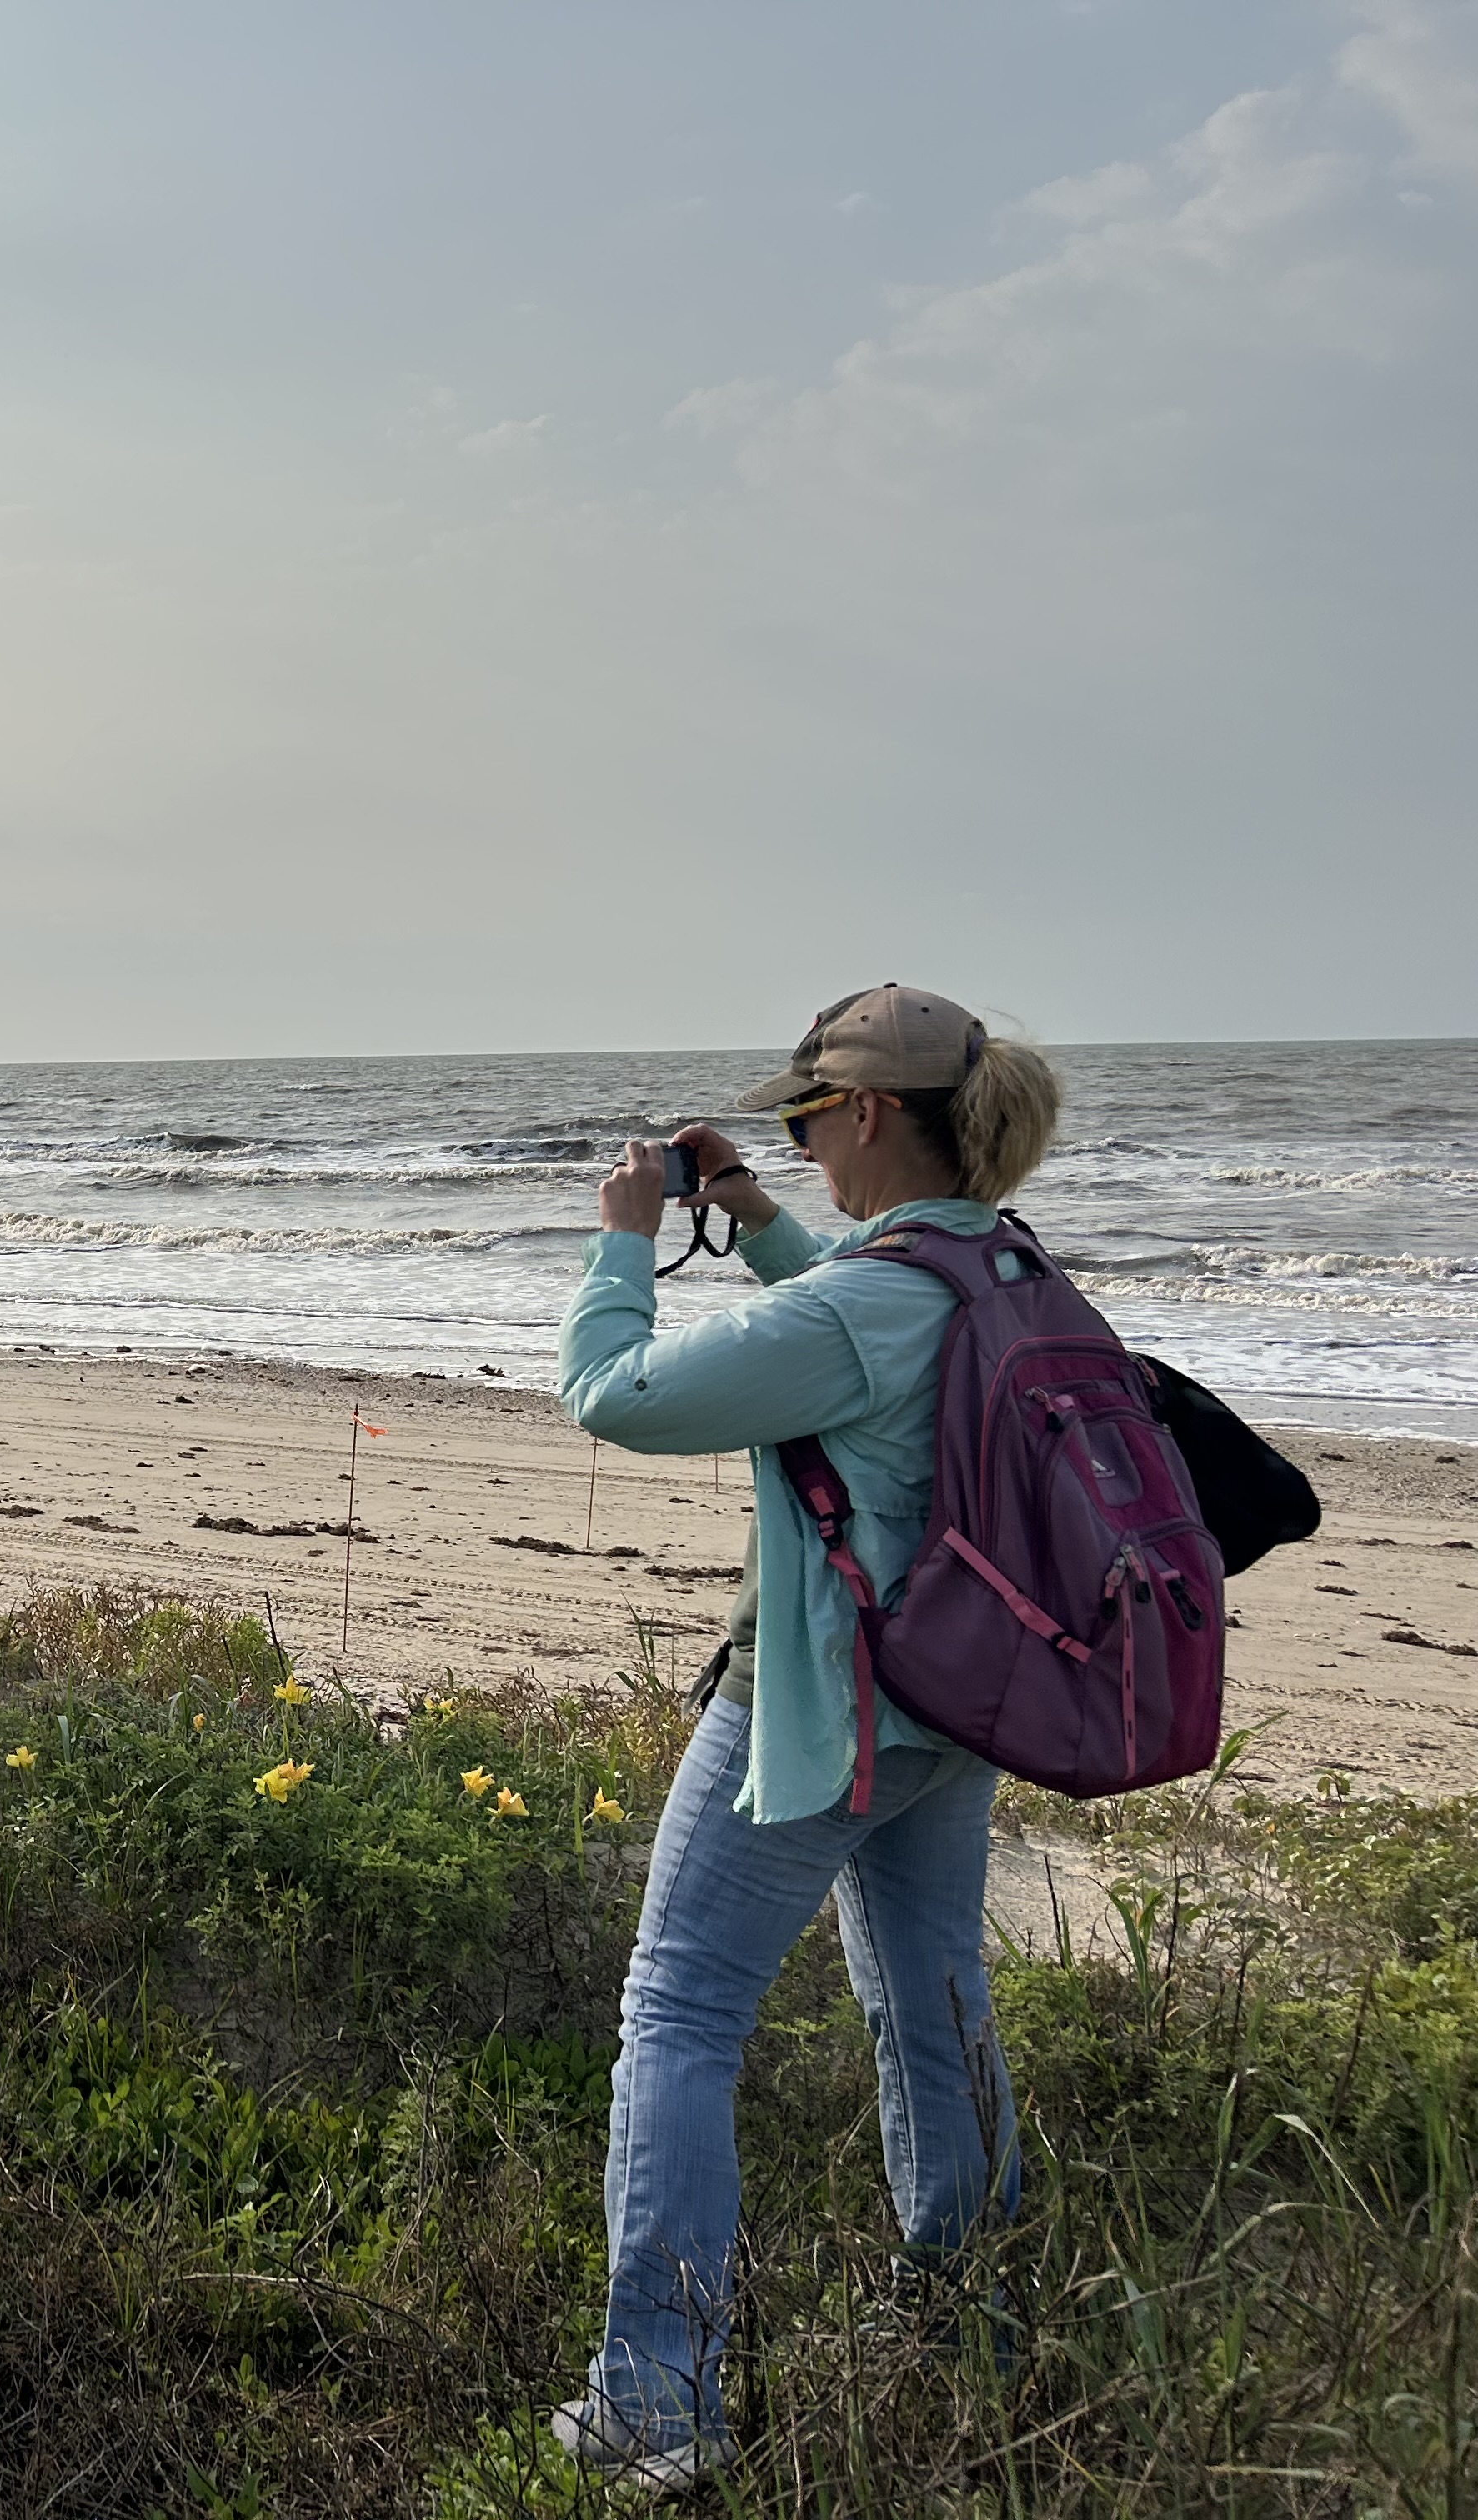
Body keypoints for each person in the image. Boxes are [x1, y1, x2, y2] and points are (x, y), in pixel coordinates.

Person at [546, 985, 1065, 2490]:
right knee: (934, 2001)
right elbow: (855, 1284)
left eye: (800, 1117)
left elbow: (615, 1395)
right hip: (952, 1704)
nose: (796, 1139)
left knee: (680, 2013)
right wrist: (750, 1208)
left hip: (822, 1706)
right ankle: (973, 2325)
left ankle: (655, 2395)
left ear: (861, 1116)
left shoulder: (856, 1306)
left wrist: (624, 1234)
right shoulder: (993, 1260)